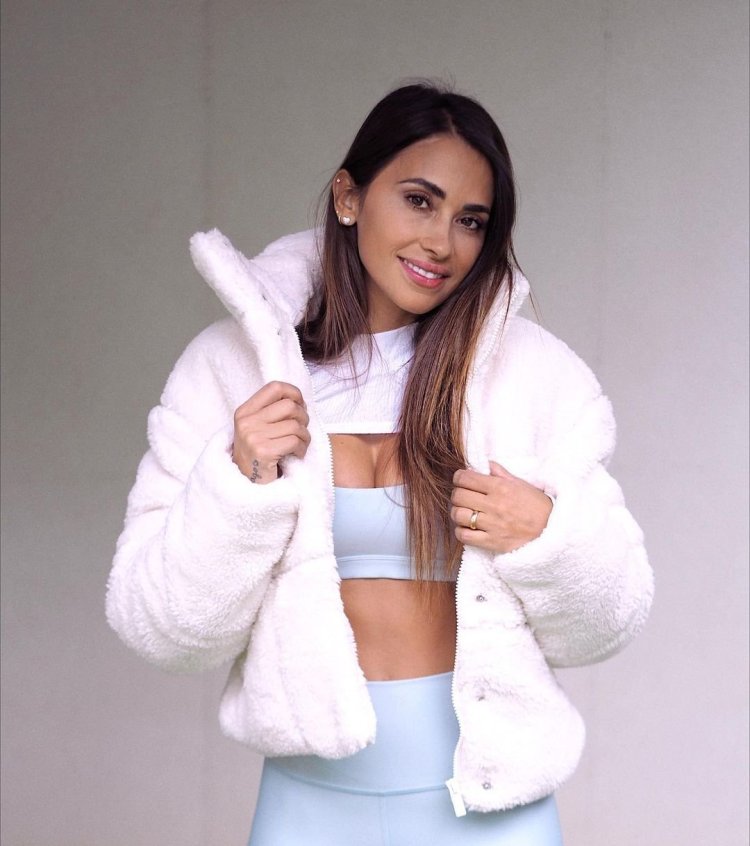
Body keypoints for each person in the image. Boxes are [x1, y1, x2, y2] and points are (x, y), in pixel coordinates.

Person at [106, 83, 653, 845]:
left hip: (491, 808)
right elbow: (162, 630)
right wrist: (238, 481)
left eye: (470, 220)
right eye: (419, 201)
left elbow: (606, 625)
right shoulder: (232, 370)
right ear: (349, 197)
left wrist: (547, 536)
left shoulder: (532, 375)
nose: (441, 242)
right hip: (309, 807)